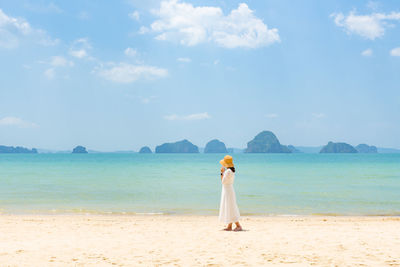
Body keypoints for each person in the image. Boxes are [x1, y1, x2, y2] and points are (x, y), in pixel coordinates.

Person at [219, 155, 242, 231]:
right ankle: (229, 226)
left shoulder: (227, 171)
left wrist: (221, 173)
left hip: (227, 190)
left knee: (230, 206)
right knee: (229, 206)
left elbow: (223, 181)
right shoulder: (231, 171)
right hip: (229, 189)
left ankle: (238, 225)